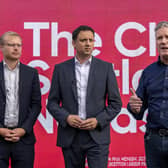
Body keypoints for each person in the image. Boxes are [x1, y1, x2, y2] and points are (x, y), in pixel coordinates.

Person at [47, 25, 122, 168]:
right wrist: (67, 117)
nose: (88, 43)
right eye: (83, 40)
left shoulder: (105, 68)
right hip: (70, 136)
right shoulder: (61, 69)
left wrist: (98, 120)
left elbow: (115, 104)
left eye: (91, 40)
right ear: (74, 43)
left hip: (97, 136)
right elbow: (52, 103)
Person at [127, 21, 168, 168]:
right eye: (159, 38)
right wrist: (134, 107)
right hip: (154, 141)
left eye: (167, 37)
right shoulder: (148, 72)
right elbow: (138, 107)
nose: (163, 41)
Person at [0, 31, 41, 168]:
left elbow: (36, 105)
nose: (16, 48)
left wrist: (24, 129)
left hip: (24, 140)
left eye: (19, 45)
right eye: (11, 45)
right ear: (1, 47)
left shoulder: (31, 73)